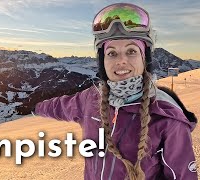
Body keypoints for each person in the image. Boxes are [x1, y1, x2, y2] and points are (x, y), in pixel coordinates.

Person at [34, 3, 198, 180]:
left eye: (131, 51)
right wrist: (35, 108)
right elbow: (60, 106)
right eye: (112, 53)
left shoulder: (167, 118)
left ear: (145, 59)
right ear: (102, 62)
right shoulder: (90, 99)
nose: (121, 61)